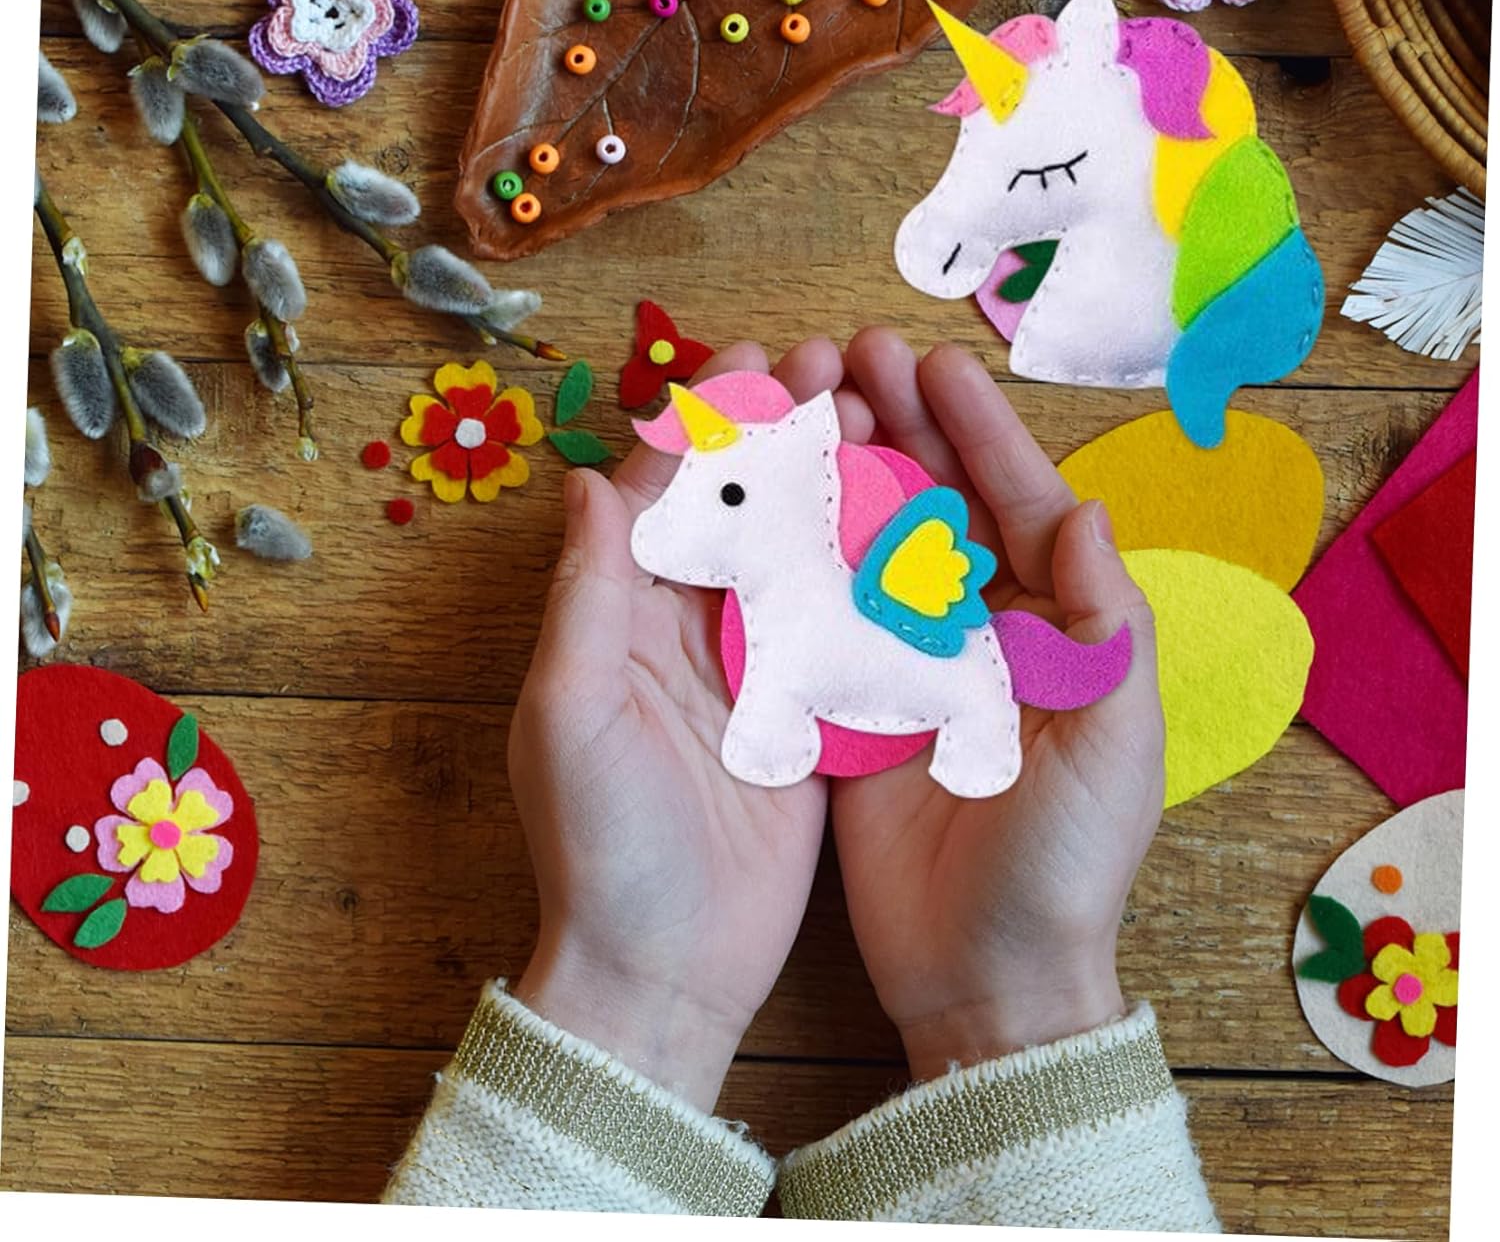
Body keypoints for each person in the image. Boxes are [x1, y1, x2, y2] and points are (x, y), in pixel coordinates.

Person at [382, 329, 1220, 1231]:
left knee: (920, 689)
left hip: (941, 676)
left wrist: (626, 997)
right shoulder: (766, 612)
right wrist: (1025, 1002)